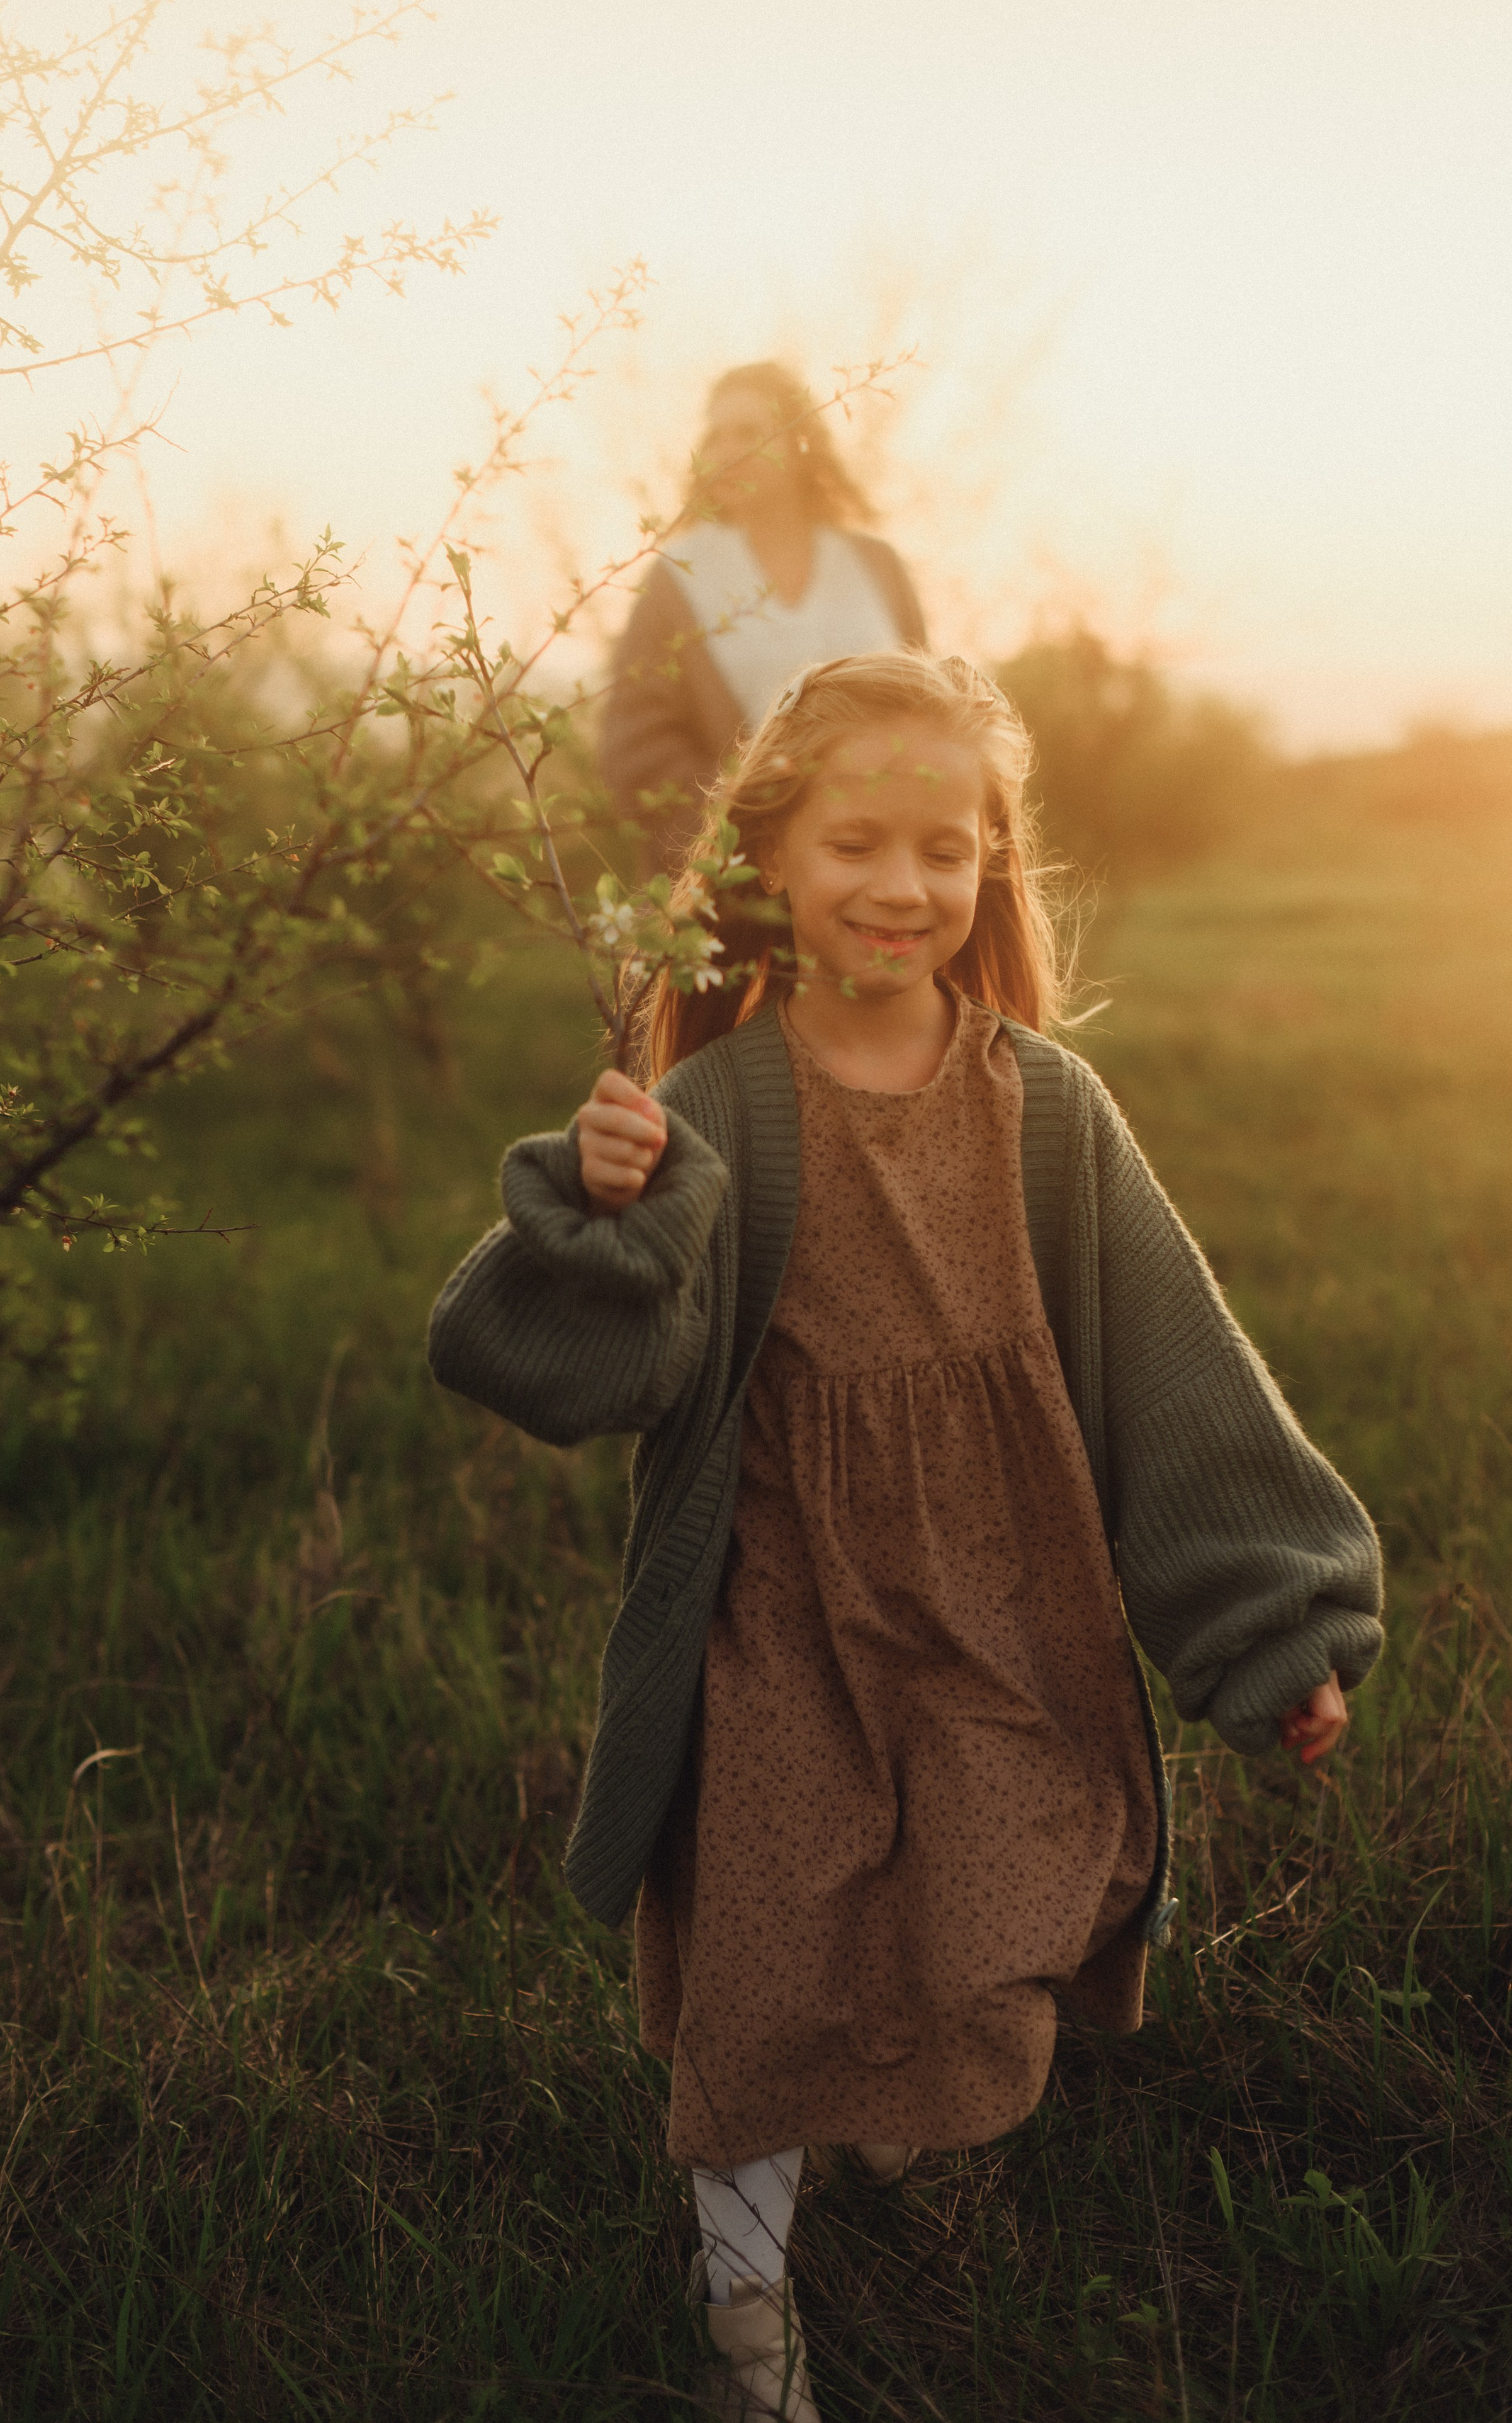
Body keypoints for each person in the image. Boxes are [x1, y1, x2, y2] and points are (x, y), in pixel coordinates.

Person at [429, 652, 1383, 2421]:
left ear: (990, 865)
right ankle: (744, 2310)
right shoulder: (719, 1112)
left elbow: (1177, 1385)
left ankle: (894, 2096)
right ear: (771, 861)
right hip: (778, 1608)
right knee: (772, 1954)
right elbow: (574, 1375)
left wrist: (1277, 1633)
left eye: (944, 849)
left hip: (1011, 1604)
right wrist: (597, 1207)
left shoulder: (1050, 1114)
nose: (900, 885)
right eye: (856, 841)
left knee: (991, 1901)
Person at [599, 362, 927, 875]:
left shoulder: (875, 566)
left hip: (882, 858)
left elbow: (930, 708)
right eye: (715, 436)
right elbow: (637, 742)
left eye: (750, 432)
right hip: (745, 867)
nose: (728, 452)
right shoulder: (679, 578)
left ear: (800, 444)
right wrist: (748, 816)